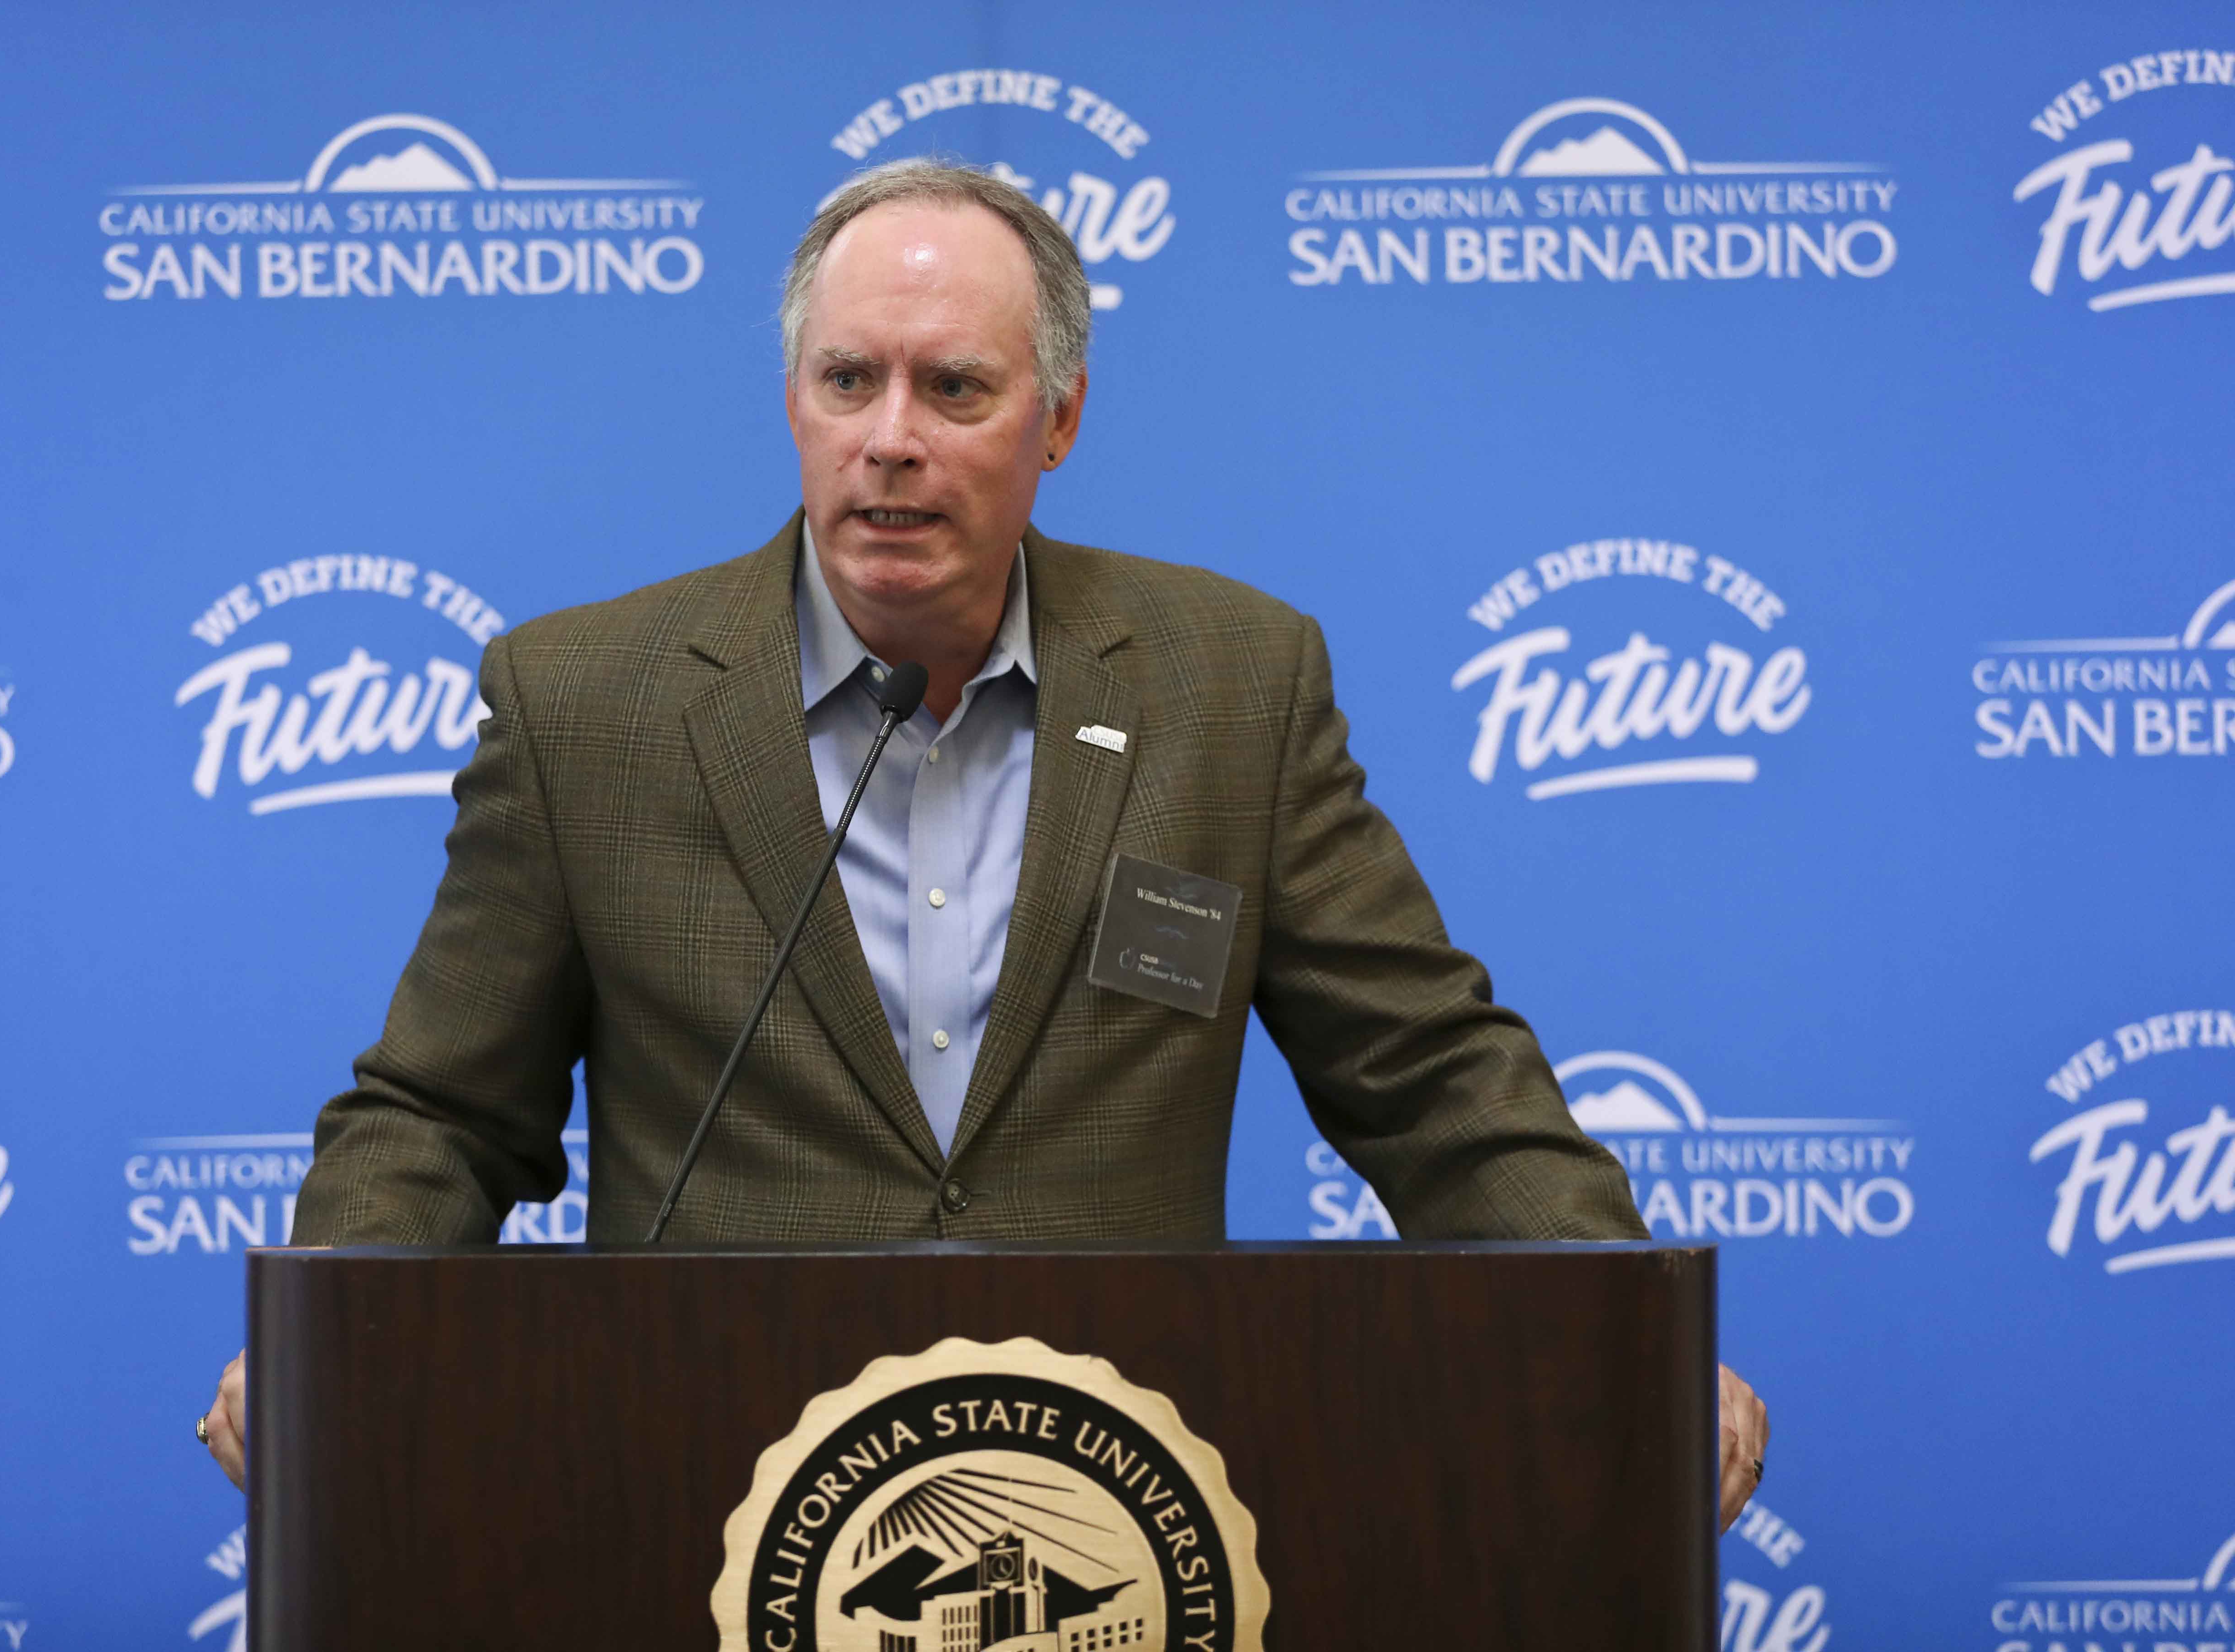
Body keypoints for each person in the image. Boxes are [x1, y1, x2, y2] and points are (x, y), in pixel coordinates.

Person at [199, 158, 1768, 1519]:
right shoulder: (584, 702)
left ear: (1060, 420)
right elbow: (441, 1117)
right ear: (793, 401)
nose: (892, 439)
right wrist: (325, 1338)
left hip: (1127, 1513)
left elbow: (1435, 1078)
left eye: (955, 388)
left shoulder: (1229, 684)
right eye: (847, 382)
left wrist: (1628, 1335)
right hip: (705, 1496)